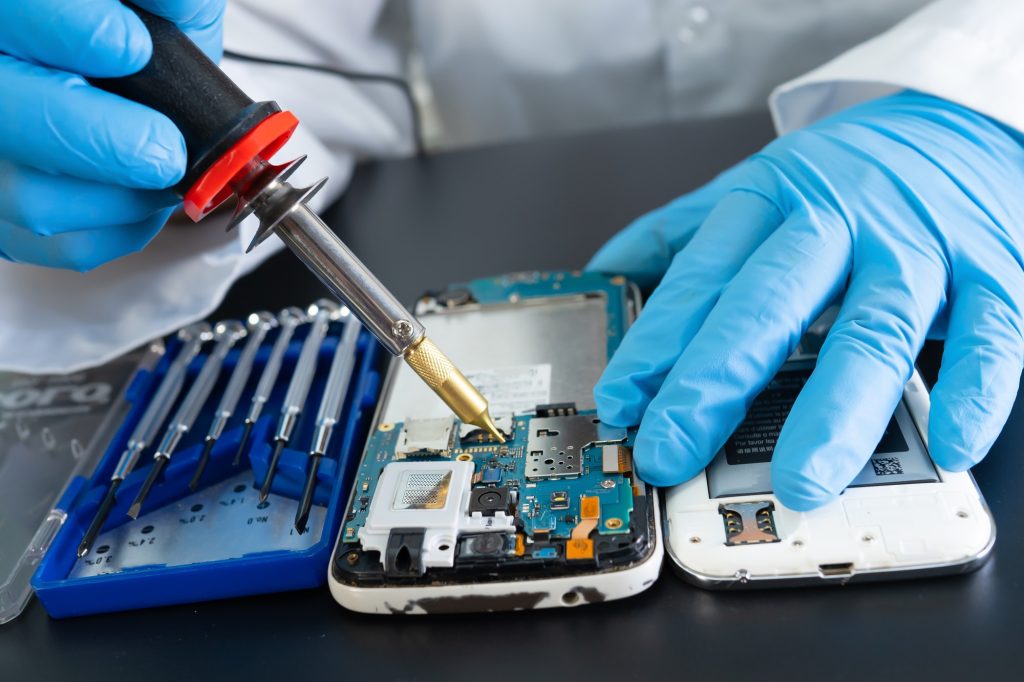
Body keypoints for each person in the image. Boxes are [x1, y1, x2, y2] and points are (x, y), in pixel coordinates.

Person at [0, 0, 1020, 510]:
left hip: (936, 146)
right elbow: (280, 29)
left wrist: (980, 109)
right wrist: (158, 114)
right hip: (463, 175)